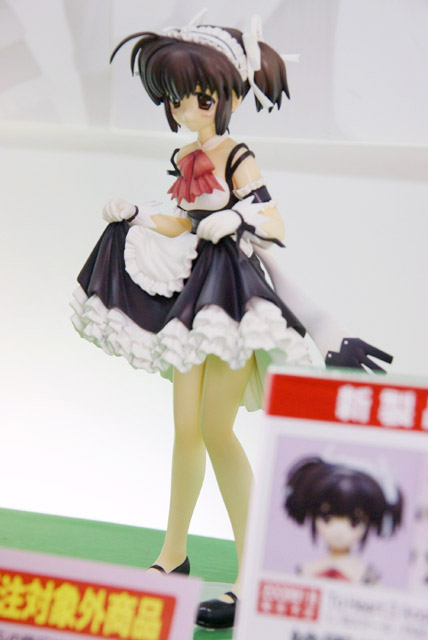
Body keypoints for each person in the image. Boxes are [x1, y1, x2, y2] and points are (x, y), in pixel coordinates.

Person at [71, 11, 392, 629]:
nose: (186, 109)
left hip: (234, 301)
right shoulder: (186, 154)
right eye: (176, 98)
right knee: (184, 429)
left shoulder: (238, 155)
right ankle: (172, 557)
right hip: (191, 295)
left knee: (217, 431)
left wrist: (237, 217)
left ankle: (252, 574)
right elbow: (179, 219)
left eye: (198, 97)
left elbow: (273, 221)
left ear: (229, 97)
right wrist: (137, 214)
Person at [284, 454, 403, 583]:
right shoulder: (306, 570)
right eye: (326, 518)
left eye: (354, 522)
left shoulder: (367, 576)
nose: (339, 530)